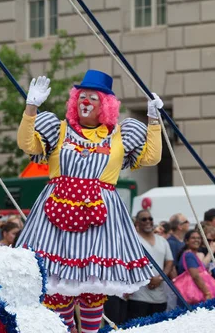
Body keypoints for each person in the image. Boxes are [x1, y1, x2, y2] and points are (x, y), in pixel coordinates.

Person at [15, 70, 163, 333]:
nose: (85, 101)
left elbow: (151, 158)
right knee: (57, 292)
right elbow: (27, 144)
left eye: (92, 98)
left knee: (92, 292)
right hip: (54, 219)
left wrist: (153, 120)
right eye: (81, 96)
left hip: (100, 218)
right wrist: (31, 107)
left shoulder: (120, 134)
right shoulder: (58, 129)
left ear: (105, 105)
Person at [127, 210, 173, 321]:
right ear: (137, 222)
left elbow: (169, 262)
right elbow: (128, 262)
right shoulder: (132, 240)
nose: (148, 221)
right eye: (144, 219)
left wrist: (160, 278)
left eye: (150, 219)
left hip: (160, 297)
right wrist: (147, 279)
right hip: (139, 297)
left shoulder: (162, 241)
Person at [175, 230, 215, 304]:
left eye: (198, 238)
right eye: (193, 238)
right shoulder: (189, 255)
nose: (196, 240)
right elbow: (196, 276)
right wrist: (207, 293)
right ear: (186, 241)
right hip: (192, 296)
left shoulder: (190, 254)